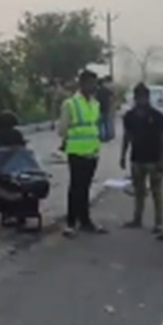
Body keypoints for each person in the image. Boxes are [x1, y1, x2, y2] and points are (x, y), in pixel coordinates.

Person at [58, 70, 108, 237]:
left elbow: (95, 124)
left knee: (85, 187)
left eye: (95, 83)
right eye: (91, 83)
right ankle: (71, 223)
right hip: (76, 151)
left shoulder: (95, 103)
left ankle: (85, 220)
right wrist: (68, 140)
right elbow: (62, 129)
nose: (94, 87)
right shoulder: (70, 103)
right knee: (76, 188)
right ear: (82, 84)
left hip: (92, 150)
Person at [121, 83, 163, 233]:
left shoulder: (158, 116)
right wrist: (123, 155)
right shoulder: (129, 116)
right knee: (139, 191)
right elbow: (127, 136)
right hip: (137, 158)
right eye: (138, 96)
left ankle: (159, 222)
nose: (140, 99)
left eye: (142, 96)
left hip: (154, 158)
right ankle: (137, 218)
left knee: (156, 192)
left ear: (147, 98)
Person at [96, 76, 116, 142]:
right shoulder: (105, 89)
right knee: (106, 123)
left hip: (99, 108)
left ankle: (101, 136)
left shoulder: (97, 91)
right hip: (106, 107)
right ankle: (108, 136)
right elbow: (112, 95)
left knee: (100, 124)